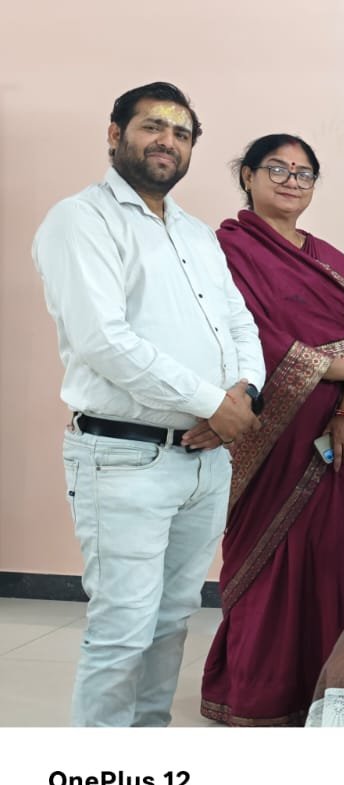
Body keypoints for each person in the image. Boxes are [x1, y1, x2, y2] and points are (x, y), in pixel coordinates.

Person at [34, 82, 265, 726]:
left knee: (171, 622)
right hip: (123, 458)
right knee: (123, 630)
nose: (168, 141)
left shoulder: (195, 233)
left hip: (204, 461)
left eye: (181, 133)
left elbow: (238, 325)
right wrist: (212, 403)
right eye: (152, 127)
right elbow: (104, 342)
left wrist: (243, 394)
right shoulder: (81, 220)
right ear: (115, 135)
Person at [202, 134, 344, 726]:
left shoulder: (329, 257)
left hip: (335, 433)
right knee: (263, 557)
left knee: (330, 554)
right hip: (265, 433)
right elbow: (252, 338)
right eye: (277, 169)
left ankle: (324, 688)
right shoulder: (226, 250)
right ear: (247, 176)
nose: (291, 182)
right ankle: (256, 693)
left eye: (304, 173)